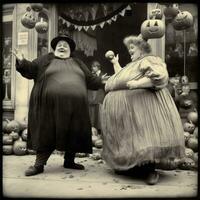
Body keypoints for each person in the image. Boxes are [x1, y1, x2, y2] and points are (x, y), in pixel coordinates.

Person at [12, 34, 108, 176]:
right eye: (59, 45)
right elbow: (31, 69)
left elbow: (90, 80)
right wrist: (22, 61)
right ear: (55, 48)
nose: (62, 46)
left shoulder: (78, 62)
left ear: (70, 49)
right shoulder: (45, 59)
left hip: (75, 107)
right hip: (48, 106)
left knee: (73, 130)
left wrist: (101, 81)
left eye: (65, 45)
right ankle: (39, 164)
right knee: (47, 131)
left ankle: (69, 161)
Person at [101, 34, 185, 185]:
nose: (130, 51)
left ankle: (149, 170)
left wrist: (138, 84)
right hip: (127, 111)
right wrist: (115, 63)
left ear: (142, 49)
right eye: (129, 49)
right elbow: (121, 77)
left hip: (143, 107)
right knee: (131, 139)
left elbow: (159, 77)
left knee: (144, 136)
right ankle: (131, 168)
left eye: (133, 48)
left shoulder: (148, 60)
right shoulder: (132, 65)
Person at [88, 61, 106, 133]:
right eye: (92, 66)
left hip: (99, 96)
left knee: (99, 112)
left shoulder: (103, 75)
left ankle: (100, 129)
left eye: (94, 66)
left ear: (98, 67)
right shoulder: (91, 75)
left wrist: (100, 80)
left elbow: (104, 86)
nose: (92, 68)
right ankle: (92, 128)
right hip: (92, 97)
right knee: (92, 112)